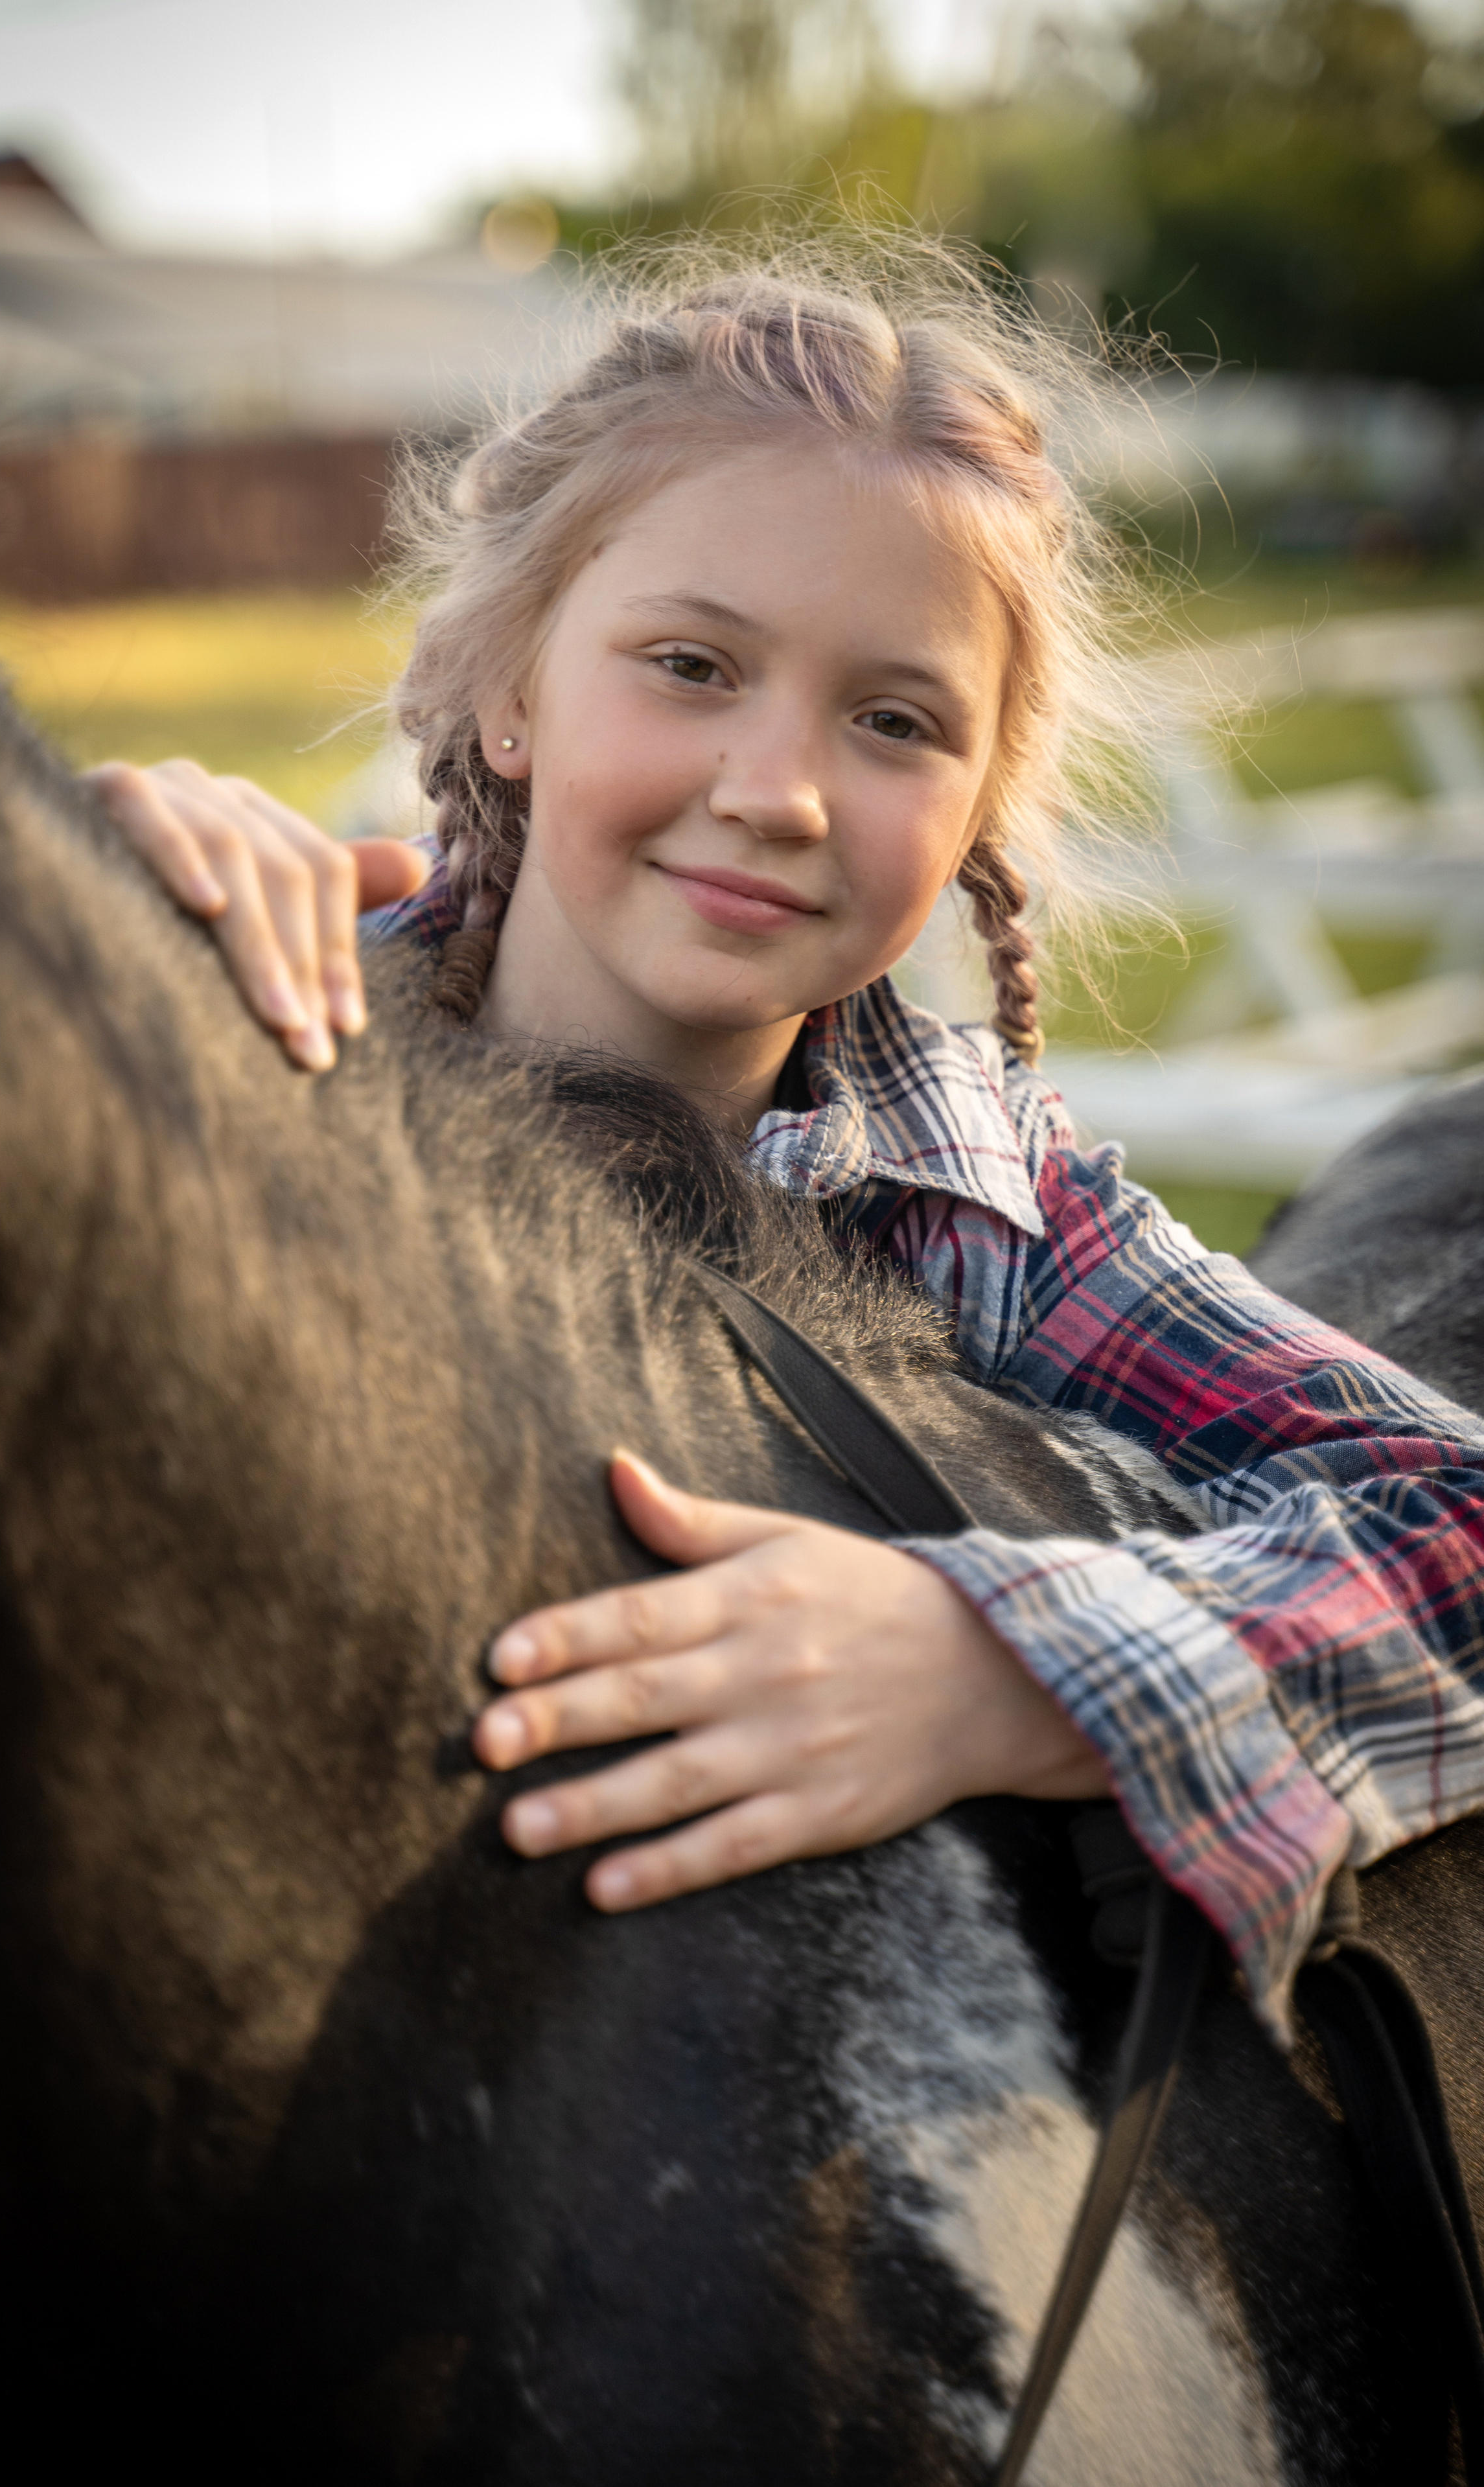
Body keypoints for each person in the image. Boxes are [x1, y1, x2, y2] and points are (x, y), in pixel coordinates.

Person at [89, 244, 1484, 2045]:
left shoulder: (990, 1213)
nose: (780, 789)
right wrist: (49, 934)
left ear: (981, 804)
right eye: (690, 663)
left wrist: (1011, 1673)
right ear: (509, 690)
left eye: (894, 720)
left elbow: (1460, 1522)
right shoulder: (250, 1051)